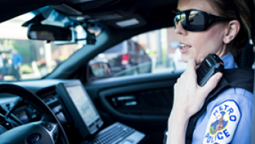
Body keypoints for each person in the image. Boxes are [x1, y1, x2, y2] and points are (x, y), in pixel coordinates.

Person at [167, 0, 253, 144]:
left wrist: (178, 116)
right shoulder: (197, 81)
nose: (178, 29)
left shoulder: (234, 100)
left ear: (229, 31)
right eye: (178, 18)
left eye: (193, 19)